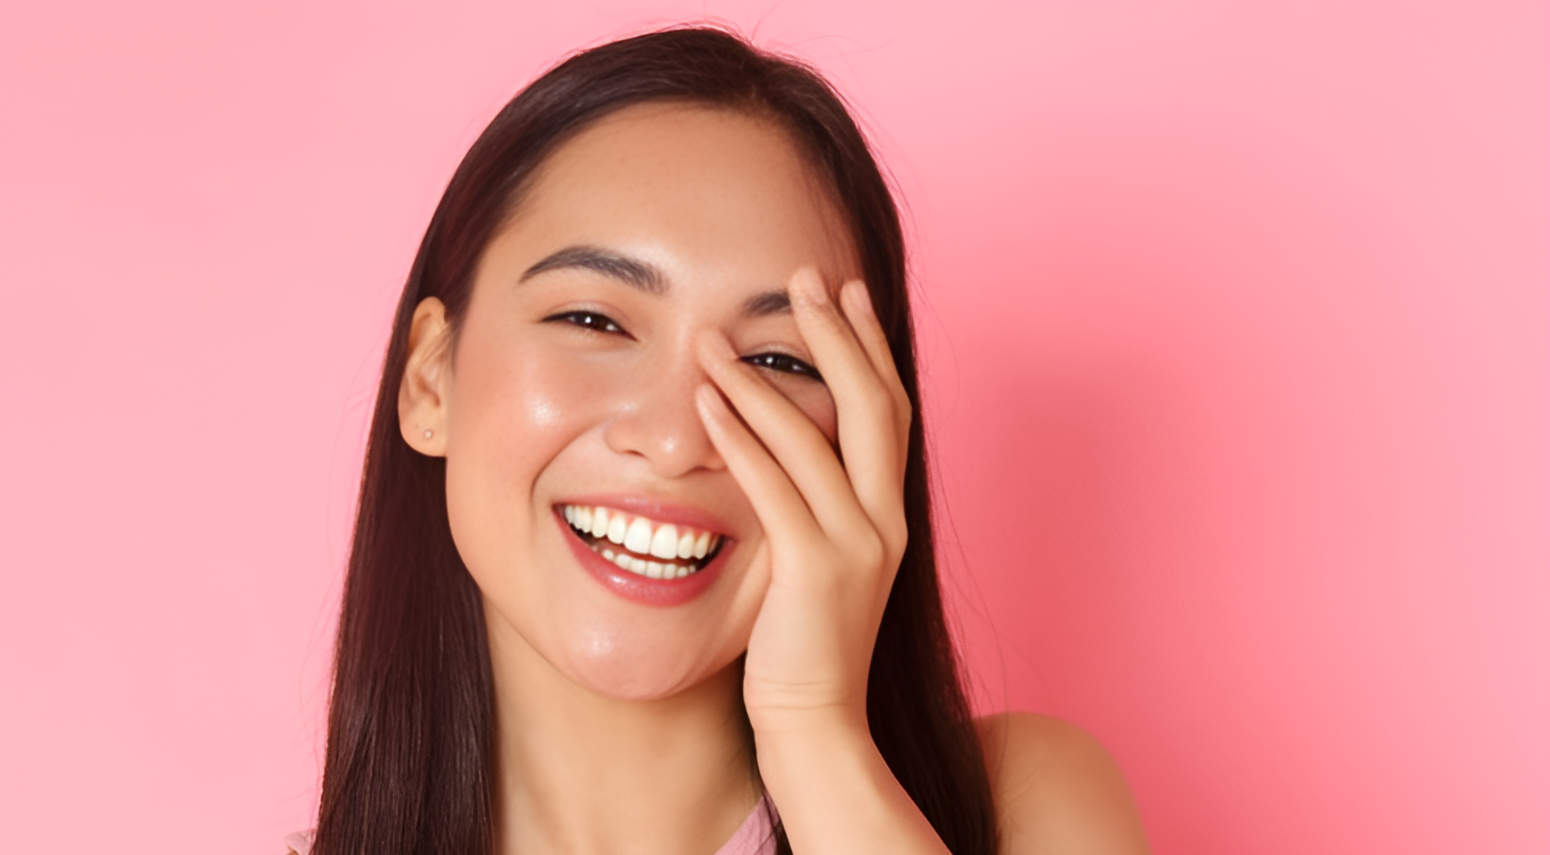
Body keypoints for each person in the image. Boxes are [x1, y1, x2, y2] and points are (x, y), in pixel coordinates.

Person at [297, 25, 1148, 855]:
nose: (674, 442)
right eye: (593, 319)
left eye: (778, 360)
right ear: (430, 380)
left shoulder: (1020, 809)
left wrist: (813, 728)